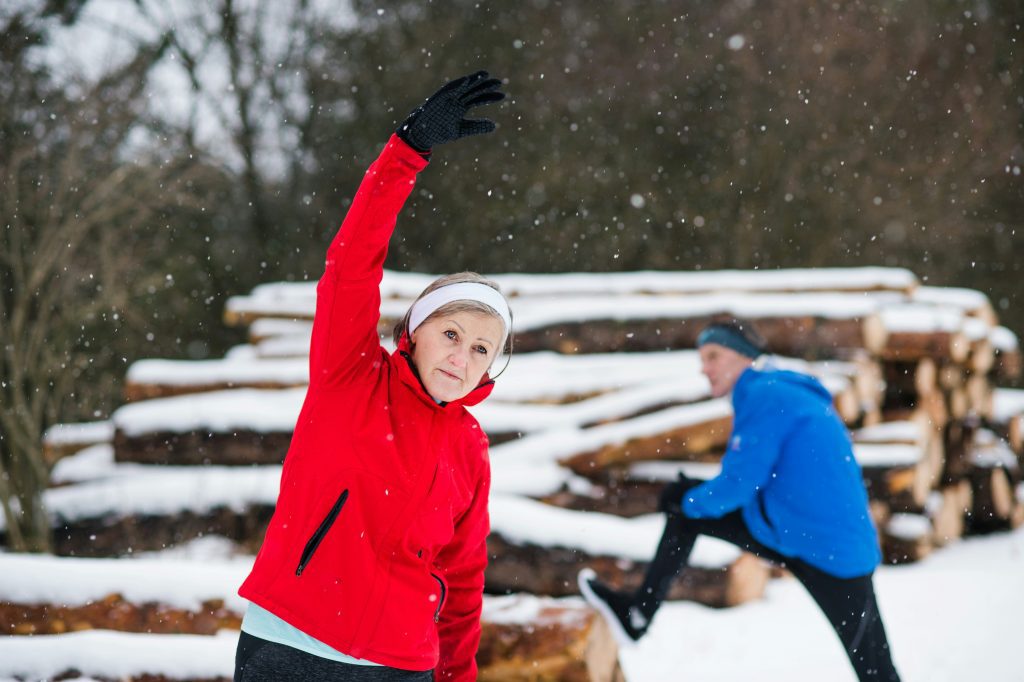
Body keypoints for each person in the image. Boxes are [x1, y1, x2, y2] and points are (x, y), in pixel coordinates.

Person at [235, 71, 510, 681]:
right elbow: (350, 267)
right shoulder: (350, 374)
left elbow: (463, 581)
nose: (461, 357)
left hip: (401, 664)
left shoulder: (470, 448)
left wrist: (456, 675)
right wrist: (405, 154)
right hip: (292, 644)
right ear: (413, 333)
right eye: (451, 334)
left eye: (482, 349)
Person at [579, 319, 902, 681]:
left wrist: (685, 502)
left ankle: (638, 614)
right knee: (688, 508)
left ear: (744, 357)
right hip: (793, 530)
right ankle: (636, 614)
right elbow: (753, 479)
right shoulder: (773, 391)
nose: (705, 368)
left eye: (713, 356)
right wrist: (687, 499)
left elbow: (738, 485)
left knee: (875, 669)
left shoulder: (767, 396)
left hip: (829, 551)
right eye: (702, 359)